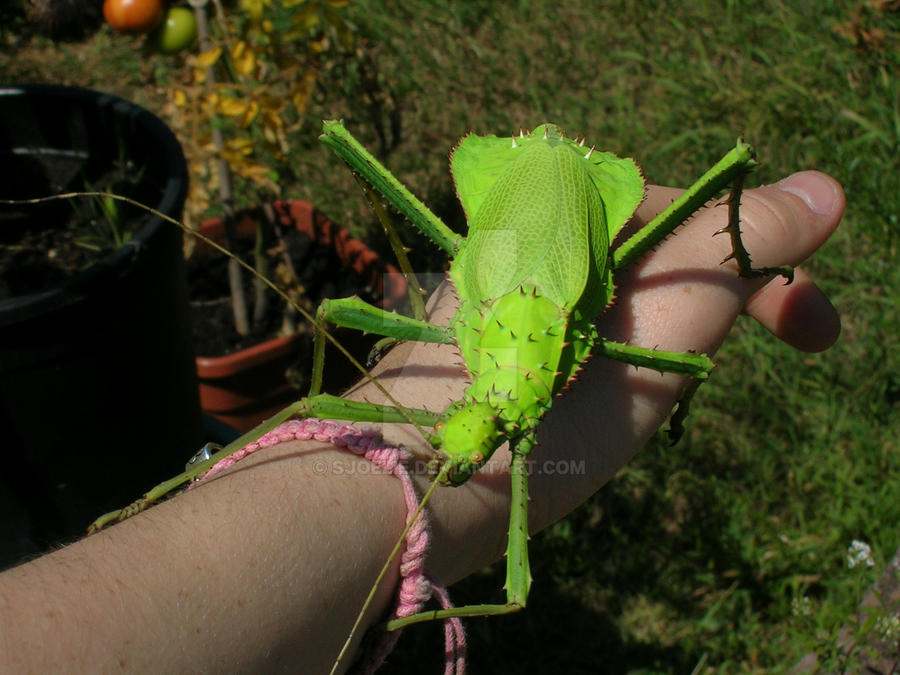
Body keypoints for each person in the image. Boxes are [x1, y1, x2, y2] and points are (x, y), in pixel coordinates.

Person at [0, 171, 844, 673]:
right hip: (516, 296)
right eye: (450, 449)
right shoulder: (479, 403)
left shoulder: (513, 403)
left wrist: (394, 610)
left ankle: (733, 218)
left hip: (549, 296)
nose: (449, 453)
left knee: (687, 348)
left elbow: (511, 602)